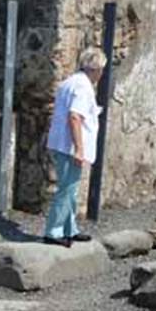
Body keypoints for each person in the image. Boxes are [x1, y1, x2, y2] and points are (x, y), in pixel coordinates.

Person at [44, 47, 107, 247]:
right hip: (69, 146)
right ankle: (53, 232)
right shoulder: (83, 87)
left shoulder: (70, 82)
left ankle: (70, 228)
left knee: (70, 189)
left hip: (62, 143)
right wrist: (79, 149)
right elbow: (75, 116)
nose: (102, 74)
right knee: (67, 188)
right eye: (101, 69)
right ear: (96, 69)